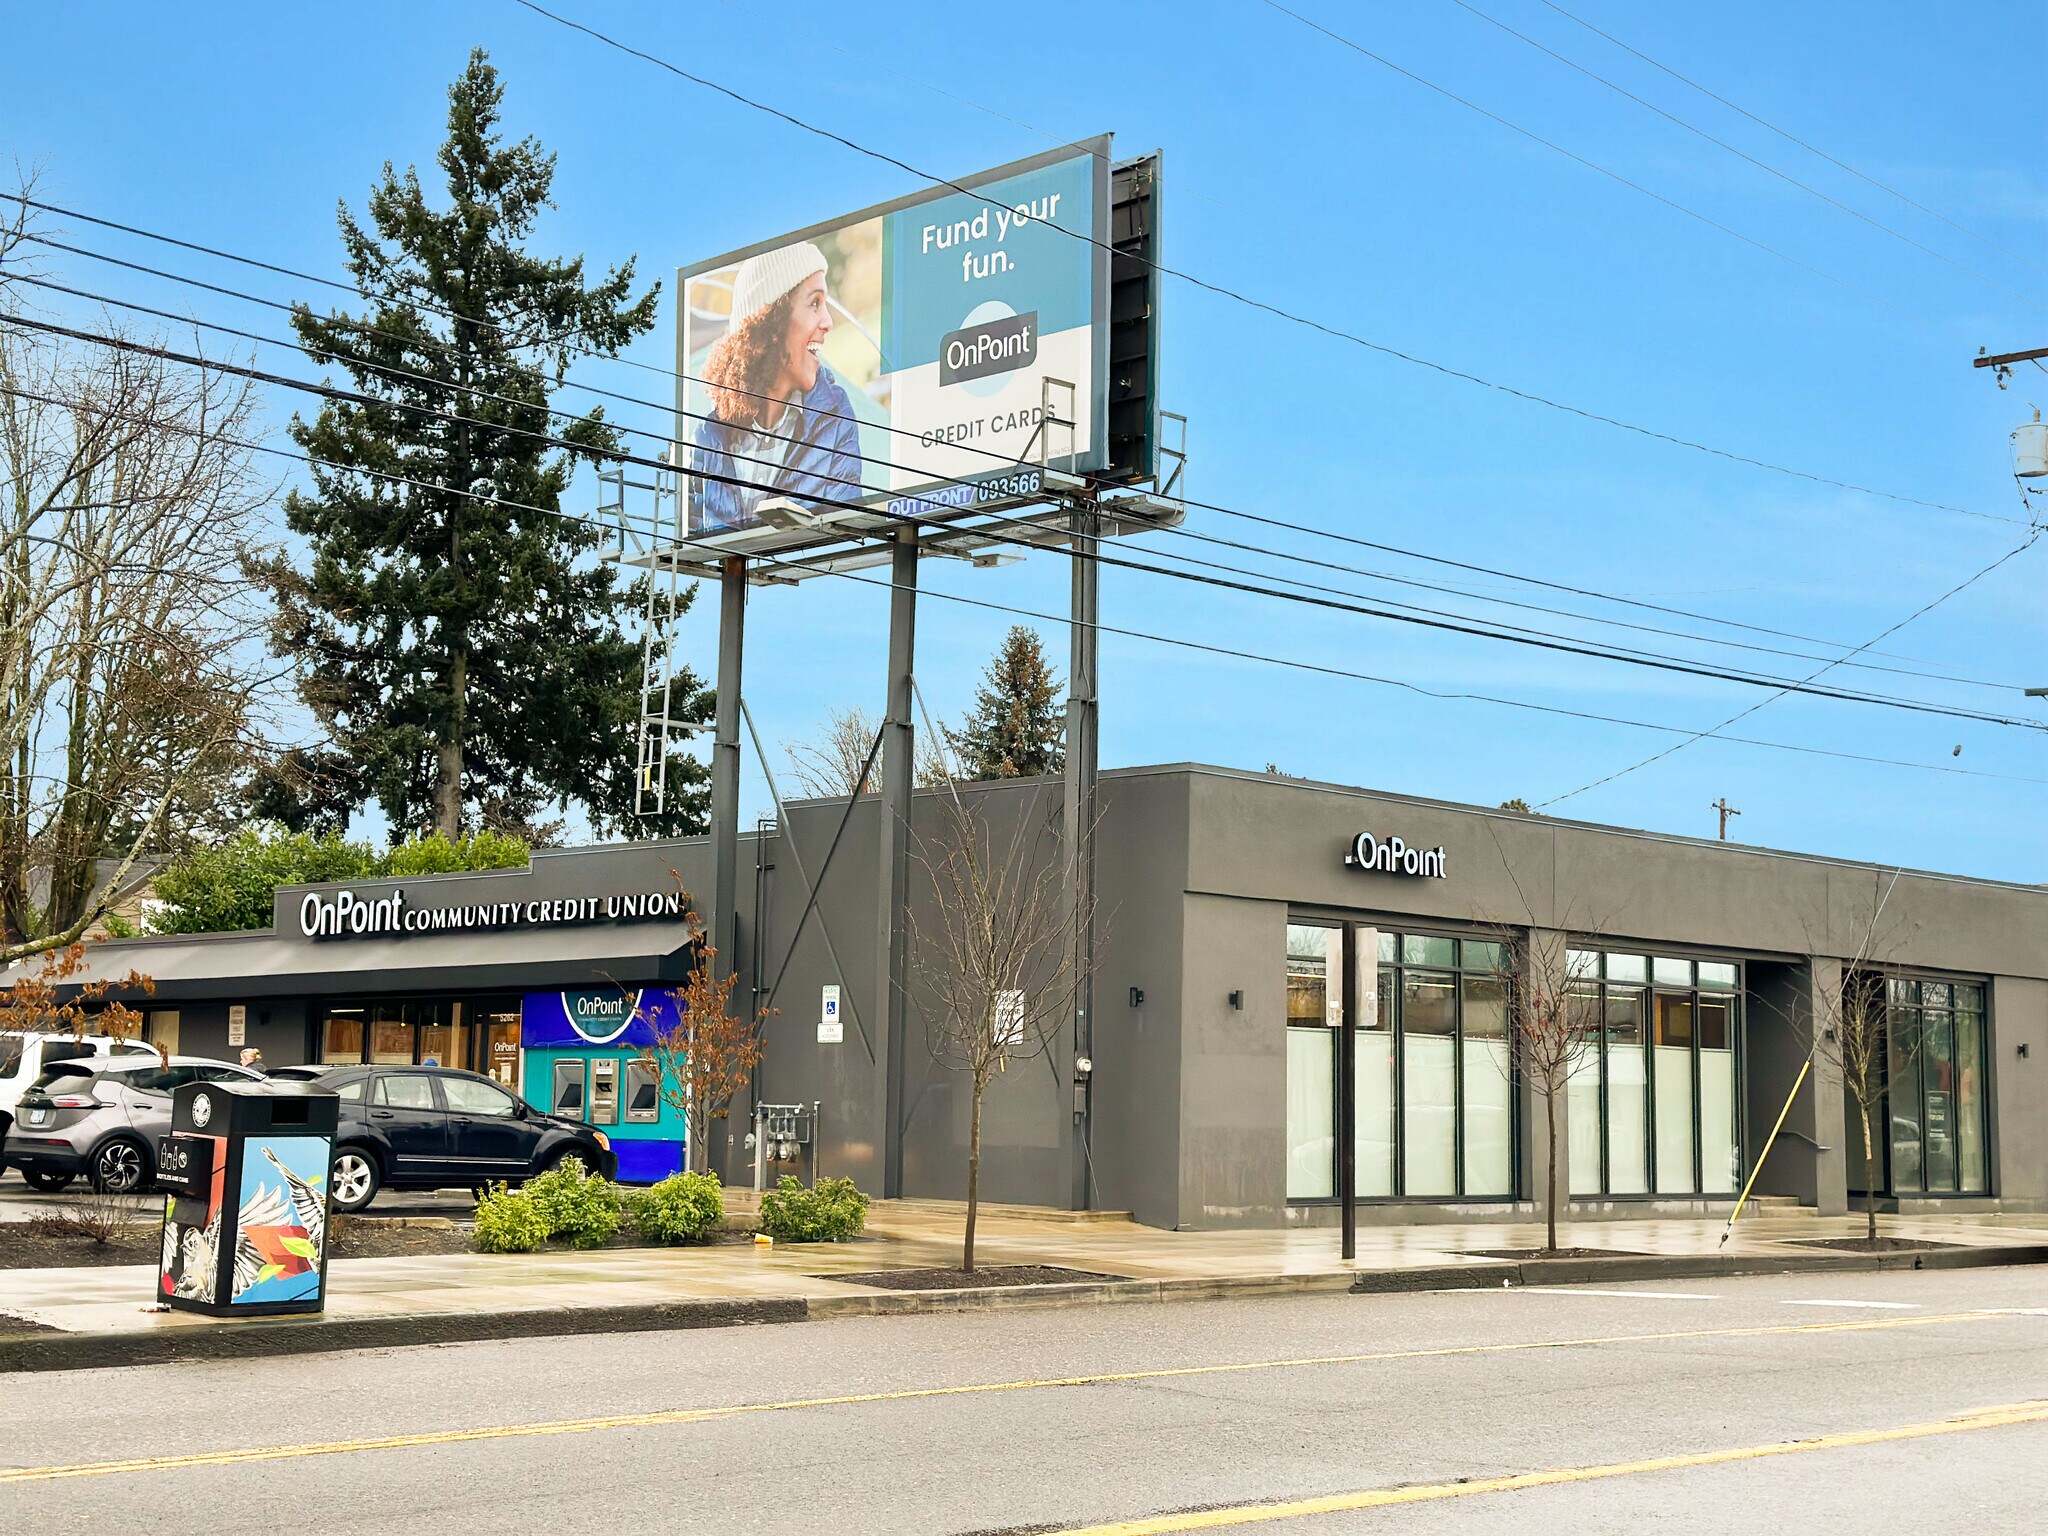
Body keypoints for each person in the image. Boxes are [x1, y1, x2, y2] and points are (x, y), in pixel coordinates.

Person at [692, 241, 864, 532]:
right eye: (814, 303)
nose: (828, 322)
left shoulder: (835, 418)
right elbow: (697, 532)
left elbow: (844, 527)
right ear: (771, 322)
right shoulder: (711, 436)